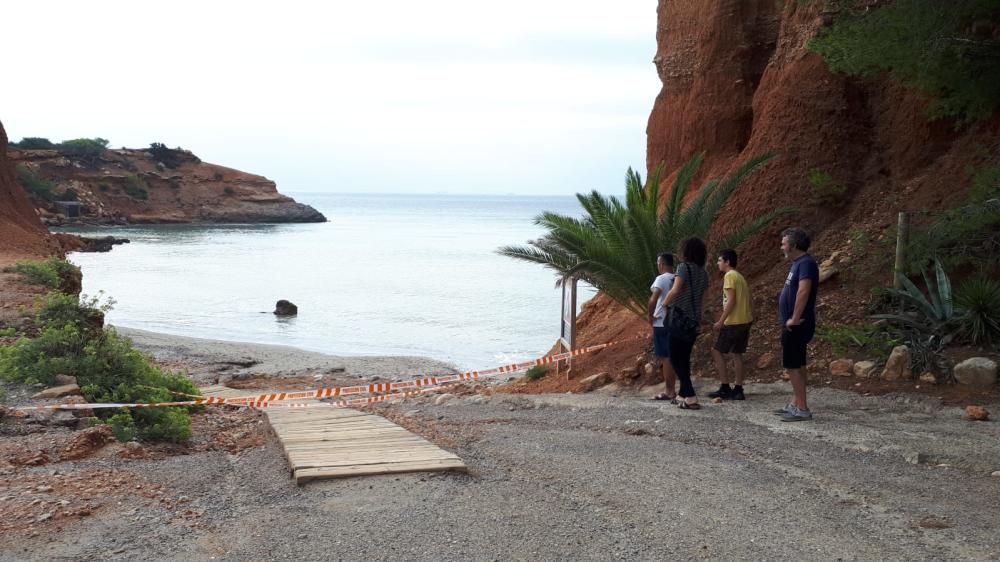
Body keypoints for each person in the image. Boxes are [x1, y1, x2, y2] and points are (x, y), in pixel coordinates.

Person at [660, 237, 709, 410]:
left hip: (679, 318)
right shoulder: (703, 273)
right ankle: (682, 393)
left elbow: (676, 289)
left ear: (687, 251)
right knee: (685, 358)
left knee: (674, 357)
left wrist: (664, 304)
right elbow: (703, 297)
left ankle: (690, 396)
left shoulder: (683, 268)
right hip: (693, 321)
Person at [776, 227, 819, 422]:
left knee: (793, 366)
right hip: (794, 323)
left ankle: (802, 408)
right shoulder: (798, 263)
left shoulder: (806, 264)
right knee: (798, 364)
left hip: (797, 324)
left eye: (784, 243)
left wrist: (793, 318)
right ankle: (796, 403)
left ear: (793, 245)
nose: (781, 246)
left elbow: (803, 291)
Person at [709, 249, 753, 401]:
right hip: (745, 321)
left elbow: (731, 301)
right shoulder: (740, 277)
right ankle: (738, 389)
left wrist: (721, 321)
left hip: (733, 322)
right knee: (737, 354)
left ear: (727, 262)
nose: (718, 263)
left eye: (720, 260)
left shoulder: (729, 276)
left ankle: (725, 387)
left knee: (716, 351)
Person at [647, 253, 677, 402]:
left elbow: (653, 298)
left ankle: (669, 391)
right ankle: (674, 389)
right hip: (675, 322)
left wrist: (649, 315)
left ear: (662, 264)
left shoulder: (661, 278)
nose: (657, 266)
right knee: (673, 356)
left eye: (658, 263)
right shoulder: (677, 277)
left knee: (666, 357)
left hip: (661, 322)